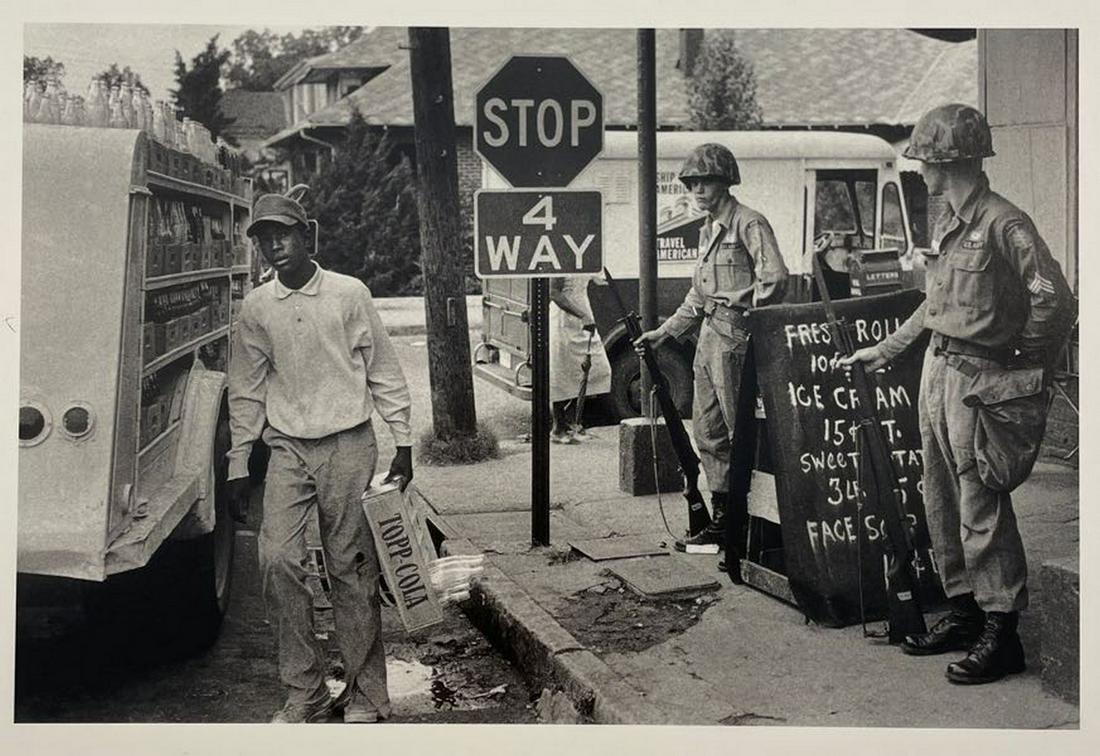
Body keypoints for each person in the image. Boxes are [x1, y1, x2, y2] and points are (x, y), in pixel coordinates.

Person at [840, 104, 1074, 685]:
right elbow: (937, 303)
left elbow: (1055, 299)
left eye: (924, 158)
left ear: (950, 160)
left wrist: (1020, 359)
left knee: (980, 502)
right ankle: (965, 609)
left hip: (979, 383)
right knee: (940, 497)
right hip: (937, 374)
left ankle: (1002, 630)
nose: (918, 169)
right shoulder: (952, 222)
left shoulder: (1003, 223)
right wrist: (888, 350)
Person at [225, 187, 414, 722]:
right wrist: (239, 461)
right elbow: (247, 387)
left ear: (307, 235)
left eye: (283, 233)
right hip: (287, 446)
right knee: (277, 560)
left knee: (351, 567)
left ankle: (366, 695)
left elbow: (383, 369)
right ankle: (304, 692)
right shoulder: (258, 306)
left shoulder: (349, 293)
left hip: (349, 443)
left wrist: (403, 442)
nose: (274, 245)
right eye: (263, 237)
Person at [634, 143, 788, 581]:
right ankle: (722, 521)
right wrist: (664, 332)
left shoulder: (748, 222)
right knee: (707, 429)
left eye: (706, 182)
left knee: (741, 435)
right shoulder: (707, 230)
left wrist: (747, 317)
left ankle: (744, 525)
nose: (698, 190)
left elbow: (775, 278)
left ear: (725, 182)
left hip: (734, 336)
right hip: (707, 336)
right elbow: (698, 295)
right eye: (692, 184)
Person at [548, 275, 612, 443]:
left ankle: (571, 421)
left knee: (598, 369)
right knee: (562, 371)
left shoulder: (584, 256)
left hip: (583, 313)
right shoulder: (562, 257)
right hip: (564, 318)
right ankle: (558, 428)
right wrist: (581, 315)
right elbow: (554, 293)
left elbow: (592, 275)